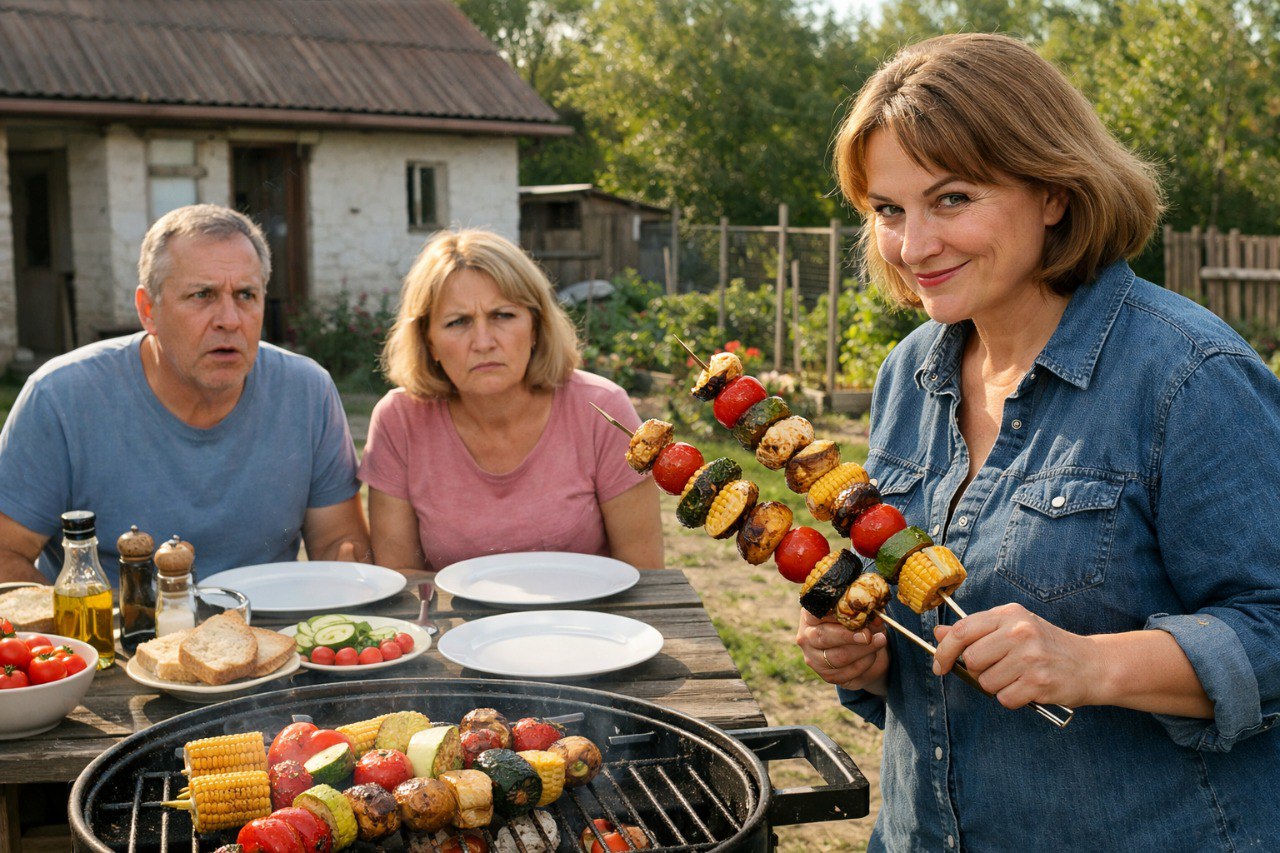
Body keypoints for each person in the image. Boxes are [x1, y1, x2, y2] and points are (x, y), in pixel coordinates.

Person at [794, 33, 1280, 850]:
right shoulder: (908, 373)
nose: (914, 247)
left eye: (952, 199)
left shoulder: (1188, 375)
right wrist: (873, 659)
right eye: (888, 210)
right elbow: (930, 631)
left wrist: (1094, 664)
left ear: (1053, 190)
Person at [0, 204, 370, 586]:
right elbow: (5, 554)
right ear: (148, 310)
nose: (229, 319)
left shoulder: (307, 391)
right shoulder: (61, 397)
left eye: (246, 294)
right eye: (202, 295)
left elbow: (338, 545)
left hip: (270, 634)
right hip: (115, 637)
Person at [360, 228, 662, 575]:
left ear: (535, 326)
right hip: (455, 629)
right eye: (458, 322)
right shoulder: (398, 420)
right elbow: (405, 584)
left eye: (503, 315)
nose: (484, 341)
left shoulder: (603, 410)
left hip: (588, 627)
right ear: (429, 343)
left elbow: (646, 575)